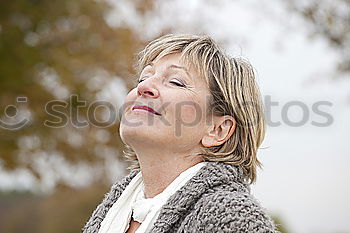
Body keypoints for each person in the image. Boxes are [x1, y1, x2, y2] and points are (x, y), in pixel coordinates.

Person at [82, 34, 278, 233]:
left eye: (176, 82)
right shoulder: (117, 208)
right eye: (144, 77)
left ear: (218, 130)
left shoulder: (236, 220)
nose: (143, 87)